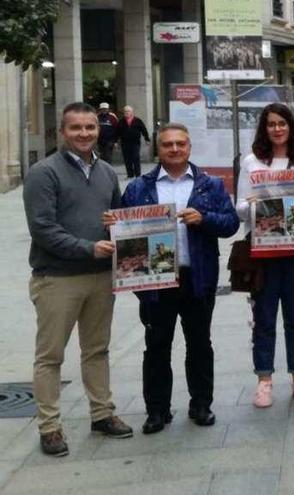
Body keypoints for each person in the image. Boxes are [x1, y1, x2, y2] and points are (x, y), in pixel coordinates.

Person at [110, 123, 239, 434]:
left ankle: (201, 404)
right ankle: (157, 410)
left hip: (198, 277)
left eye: (181, 144)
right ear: (159, 149)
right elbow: (122, 233)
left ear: (189, 147)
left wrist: (204, 219)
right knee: (156, 345)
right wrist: (113, 225)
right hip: (155, 280)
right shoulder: (139, 188)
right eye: (168, 144)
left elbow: (231, 223)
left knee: (199, 344)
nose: (175, 149)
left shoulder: (209, 185)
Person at [23, 102, 132, 457]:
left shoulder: (105, 172)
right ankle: (50, 426)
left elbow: (116, 220)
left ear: (98, 129)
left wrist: (123, 232)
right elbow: (43, 229)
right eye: (76, 128)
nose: (84, 134)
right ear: (62, 131)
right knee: (50, 355)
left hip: (100, 278)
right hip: (58, 279)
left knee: (97, 350)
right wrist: (88, 248)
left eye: (89, 127)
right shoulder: (44, 172)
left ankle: (102, 413)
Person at [235, 103, 294, 408]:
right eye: (271, 124)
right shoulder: (251, 163)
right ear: (264, 128)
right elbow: (240, 210)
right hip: (262, 249)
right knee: (264, 317)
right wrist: (255, 202)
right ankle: (264, 379)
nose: (277, 129)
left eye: (282, 123)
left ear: (291, 126)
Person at [117, 105, 151, 178]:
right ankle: (130, 174)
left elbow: (143, 130)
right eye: (125, 111)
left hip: (135, 143)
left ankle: (138, 174)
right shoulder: (121, 121)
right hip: (125, 143)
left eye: (128, 111)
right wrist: (115, 141)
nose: (126, 113)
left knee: (135, 157)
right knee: (127, 159)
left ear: (132, 112)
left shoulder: (137, 120)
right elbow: (117, 132)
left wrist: (147, 139)